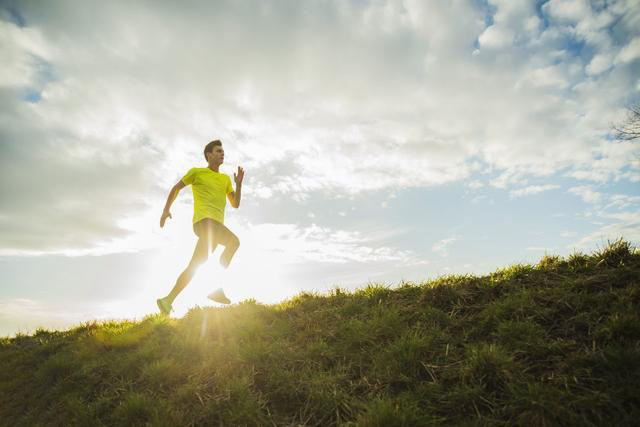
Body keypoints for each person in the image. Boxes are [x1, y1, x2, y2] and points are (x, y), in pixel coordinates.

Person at [156, 139, 244, 315]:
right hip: (204, 222)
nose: (222, 153)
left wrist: (239, 184)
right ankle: (216, 288)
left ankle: (167, 300)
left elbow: (235, 204)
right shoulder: (197, 172)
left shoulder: (225, 179)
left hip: (215, 227)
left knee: (195, 265)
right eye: (218, 151)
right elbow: (176, 188)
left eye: (222, 151)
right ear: (208, 155)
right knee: (234, 242)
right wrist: (166, 210)